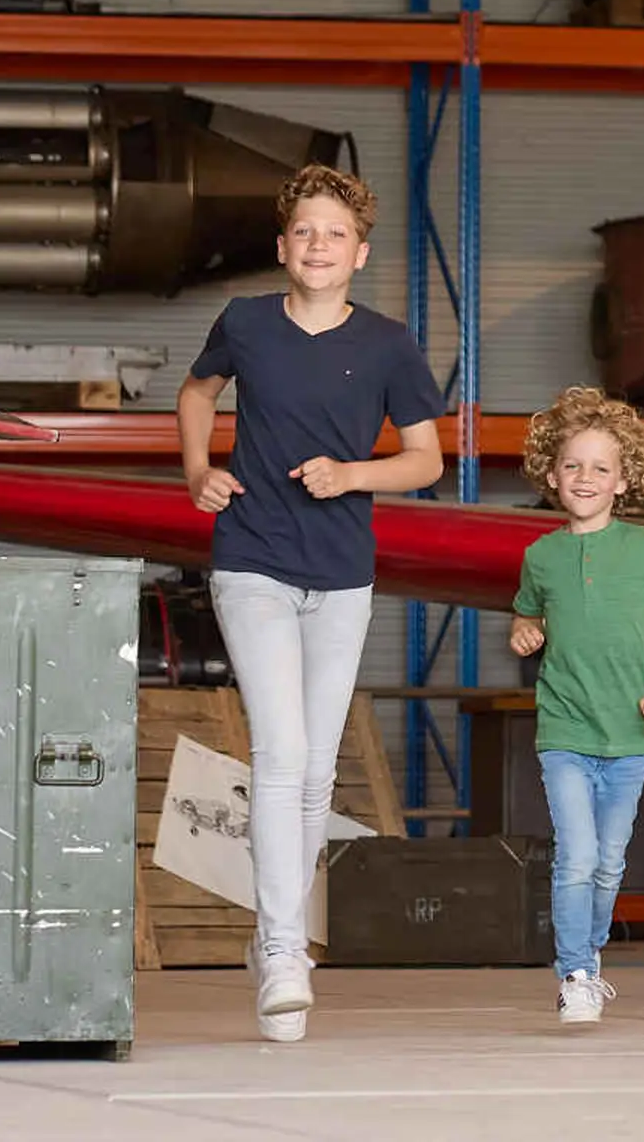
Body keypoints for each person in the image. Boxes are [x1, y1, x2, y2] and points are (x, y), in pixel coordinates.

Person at [179, 164, 447, 1044]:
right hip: (251, 559)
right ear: (282, 246)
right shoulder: (246, 323)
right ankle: (287, 954)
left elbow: (426, 461)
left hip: (342, 574)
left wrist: (352, 475)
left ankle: (274, 938)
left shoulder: (389, 346)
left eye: (334, 234)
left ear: (359, 253)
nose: (318, 246)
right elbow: (195, 392)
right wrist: (197, 471)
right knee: (283, 750)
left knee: (317, 771)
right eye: (304, 232)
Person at [504, 387, 644, 1030]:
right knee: (576, 856)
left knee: (610, 862)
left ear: (623, 481)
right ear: (551, 475)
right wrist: (522, 632)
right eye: (573, 466)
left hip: (629, 736)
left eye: (600, 468)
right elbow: (526, 618)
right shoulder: (541, 556)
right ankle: (576, 974)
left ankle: (590, 958)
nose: (585, 478)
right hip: (563, 730)